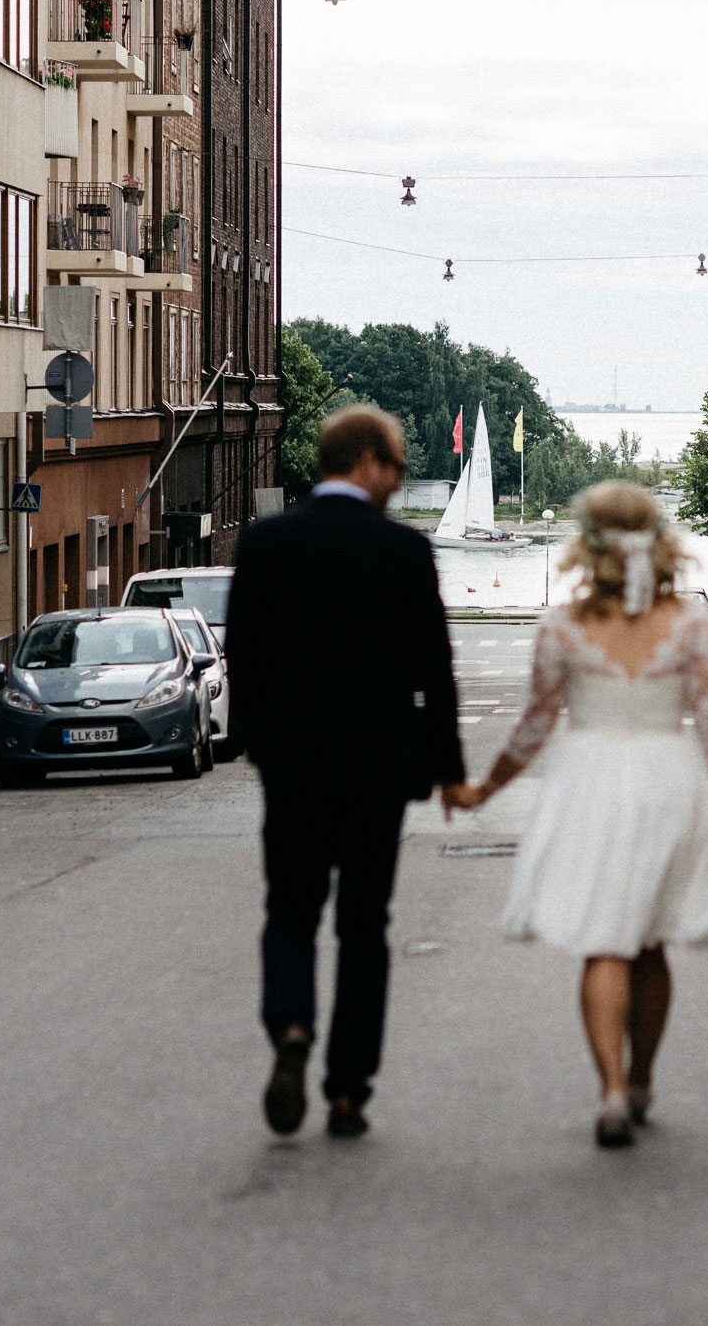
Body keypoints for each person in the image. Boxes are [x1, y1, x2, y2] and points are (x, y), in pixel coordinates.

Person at [446, 481, 708, 1149]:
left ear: (586, 543)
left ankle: (612, 1091)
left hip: (587, 783)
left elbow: (534, 728)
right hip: (667, 780)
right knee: (650, 940)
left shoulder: (562, 625)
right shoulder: (687, 625)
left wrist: (484, 788)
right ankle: (646, 1077)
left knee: (604, 940)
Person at [224, 406, 469, 1140]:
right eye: (394, 464)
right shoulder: (403, 552)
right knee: (365, 926)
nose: (398, 479)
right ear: (366, 462)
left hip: (293, 768)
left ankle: (292, 1028)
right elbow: (435, 670)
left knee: (291, 911)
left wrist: (255, 744)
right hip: (378, 772)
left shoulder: (265, 543)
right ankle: (348, 1091)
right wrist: (449, 769)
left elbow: (244, 653)